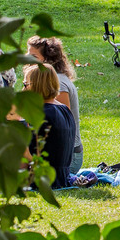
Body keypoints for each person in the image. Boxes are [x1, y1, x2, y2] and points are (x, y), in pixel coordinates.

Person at [27, 36, 85, 173]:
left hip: (69, 159)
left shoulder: (58, 83)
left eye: (33, 56)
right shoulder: (46, 80)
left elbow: (61, 127)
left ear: (47, 59)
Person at [23, 62, 75, 190]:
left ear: (37, 86)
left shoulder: (41, 114)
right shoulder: (64, 109)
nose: (23, 90)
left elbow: (32, 157)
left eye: (25, 85)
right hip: (63, 177)